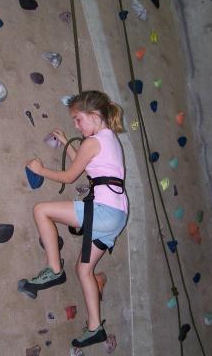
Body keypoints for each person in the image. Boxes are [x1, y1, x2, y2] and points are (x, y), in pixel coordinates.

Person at [18, 90, 128, 348]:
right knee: (83, 269)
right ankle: (95, 328)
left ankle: (54, 270)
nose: (76, 124)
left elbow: (70, 177)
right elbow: (87, 167)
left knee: (41, 210)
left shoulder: (94, 142)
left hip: (103, 212)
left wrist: (40, 170)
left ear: (93, 115)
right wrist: (67, 141)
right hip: (116, 216)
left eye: (78, 119)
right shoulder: (108, 140)